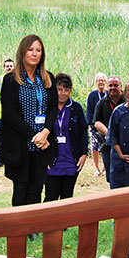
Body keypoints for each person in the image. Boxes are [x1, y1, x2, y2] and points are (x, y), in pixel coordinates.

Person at [0, 34, 57, 209]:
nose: (35, 53)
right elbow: (9, 115)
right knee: (21, 186)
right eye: (31, 50)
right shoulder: (10, 80)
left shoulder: (48, 78)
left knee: (37, 186)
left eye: (38, 50)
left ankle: (33, 228)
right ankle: (18, 227)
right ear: (22, 52)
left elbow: (53, 108)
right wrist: (35, 136)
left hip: (43, 144)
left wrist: (45, 132)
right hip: (21, 144)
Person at [44, 73, 88, 201]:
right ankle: (50, 222)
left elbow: (83, 132)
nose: (63, 93)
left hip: (71, 161)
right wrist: (44, 157)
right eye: (59, 89)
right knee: (50, 198)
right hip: (52, 161)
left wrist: (84, 153)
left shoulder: (76, 108)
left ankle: (66, 222)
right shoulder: (47, 107)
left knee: (67, 199)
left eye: (66, 90)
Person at [92, 76, 125, 184]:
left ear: (121, 86)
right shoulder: (102, 103)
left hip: (127, 145)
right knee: (112, 178)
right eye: (110, 85)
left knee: (127, 176)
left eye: (116, 85)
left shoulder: (128, 101)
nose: (113, 88)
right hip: (108, 145)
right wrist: (109, 133)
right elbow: (96, 122)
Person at [0, 59, 15, 168]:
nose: (9, 68)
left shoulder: (19, 81)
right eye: (7, 66)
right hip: (0, 115)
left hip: (14, 115)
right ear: (4, 68)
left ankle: (12, 158)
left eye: (11, 66)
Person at [86, 72, 108, 176]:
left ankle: (105, 168)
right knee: (95, 148)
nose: (101, 82)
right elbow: (89, 111)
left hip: (106, 126)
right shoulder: (92, 95)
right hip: (94, 126)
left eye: (103, 80)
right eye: (99, 80)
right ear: (96, 82)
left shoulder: (109, 94)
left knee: (106, 147)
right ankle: (97, 169)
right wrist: (92, 123)